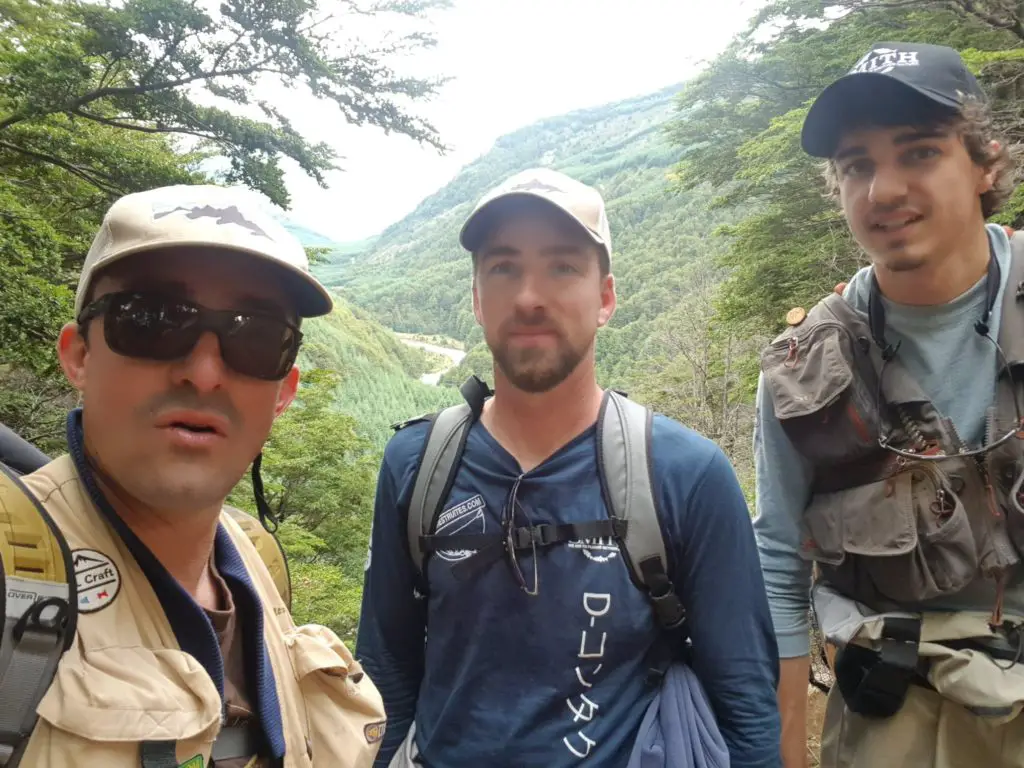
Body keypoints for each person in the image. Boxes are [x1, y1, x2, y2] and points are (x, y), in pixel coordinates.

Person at [356, 167, 782, 767]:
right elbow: (385, 671)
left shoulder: (686, 474)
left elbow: (744, 700)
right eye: (504, 267)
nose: (530, 296)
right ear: (477, 299)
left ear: (605, 297)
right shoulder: (417, 465)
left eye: (562, 266)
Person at [2, 184, 387, 767]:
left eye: (255, 335)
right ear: (79, 354)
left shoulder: (254, 564)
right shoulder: (13, 583)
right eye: (153, 320)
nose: (204, 373)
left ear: (283, 391)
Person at [752, 42, 1024, 768]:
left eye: (920, 152)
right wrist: (786, 750)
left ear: (985, 164)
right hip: (891, 706)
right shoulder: (807, 368)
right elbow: (779, 561)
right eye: (857, 165)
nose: (883, 190)